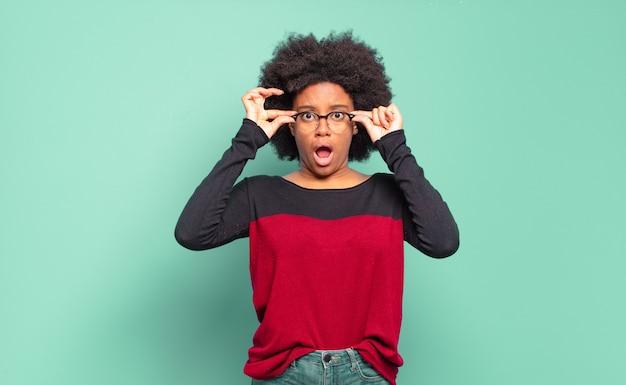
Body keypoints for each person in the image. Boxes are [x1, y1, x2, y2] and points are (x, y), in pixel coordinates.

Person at [175, 31, 459, 385]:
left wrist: (395, 148)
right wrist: (247, 137)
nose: (322, 128)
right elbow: (191, 233)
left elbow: (443, 242)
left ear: (356, 125)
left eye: (337, 115)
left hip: (366, 373)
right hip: (283, 373)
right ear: (290, 125)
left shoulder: (388, 196)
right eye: (308, 116)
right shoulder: (260, 195)